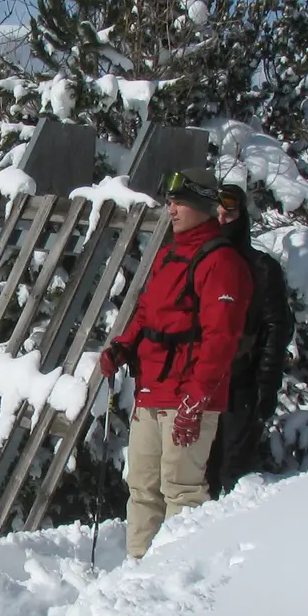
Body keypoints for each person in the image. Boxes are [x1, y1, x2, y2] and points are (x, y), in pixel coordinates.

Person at [99, 166, 253, 559]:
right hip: (151, 391)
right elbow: (146, 313)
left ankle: (175, 579)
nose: (171, 209)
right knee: (142, 488)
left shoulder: (223, 263)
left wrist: (196, 398)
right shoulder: (170, 254)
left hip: (187, 397)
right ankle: (138, 569)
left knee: (181, 490)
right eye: (169, 201)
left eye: (179, 201)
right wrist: (122, 347)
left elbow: (222, 338)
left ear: (203, 204)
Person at [205, 183, 295, 497]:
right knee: (196, 475)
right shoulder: (201, 263)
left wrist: (267, 384)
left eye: (228, 213)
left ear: (241, 216)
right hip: (200, 386)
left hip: (241, 384)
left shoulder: (262, 268)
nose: (221, 220)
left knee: (232, 472)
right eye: (215, 213)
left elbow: (277, 328)